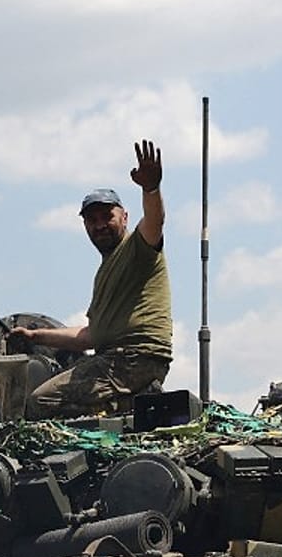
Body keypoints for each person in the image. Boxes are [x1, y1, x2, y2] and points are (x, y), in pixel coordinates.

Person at [11, 139, 172, 418]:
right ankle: (129, 405)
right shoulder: (106, 270)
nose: (99, 225)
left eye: (106, 216)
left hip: (131, 359)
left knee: (40, 401)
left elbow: (155, 221)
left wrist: (151, 188)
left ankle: (127, 406)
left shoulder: (138, 248)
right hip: (121, 360)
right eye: (91, 220)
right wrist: (35, 335)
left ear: (124, 217)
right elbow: (90, 336)